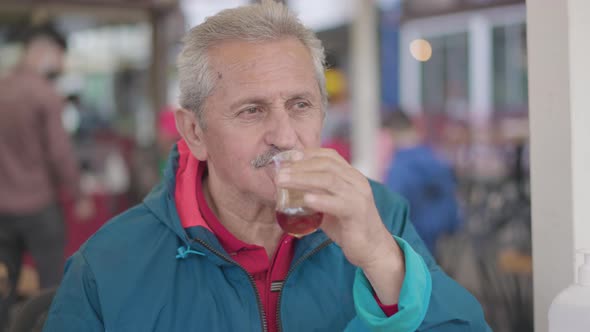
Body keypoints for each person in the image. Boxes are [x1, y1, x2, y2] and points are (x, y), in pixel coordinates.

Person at [43, 2, 489, 331]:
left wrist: (381, 257)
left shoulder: (379, 213)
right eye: (252, 110)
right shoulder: (107, 265)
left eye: (300, 104)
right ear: (194, 132)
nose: (284, 135)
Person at [0, 25, 92, 329]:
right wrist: (78, 194)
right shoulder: (45, 94)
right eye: (58, 56)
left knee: (3, 283)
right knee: (52, 285)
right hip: (39, 206)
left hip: (3, 207)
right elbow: (59, 153)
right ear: (44, 52)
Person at [383, 110, 462, 254]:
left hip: (415, 238)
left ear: (391, 133)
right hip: (441, 232)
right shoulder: (432, 156)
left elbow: (393, 204)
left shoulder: (403, 164)